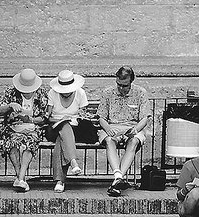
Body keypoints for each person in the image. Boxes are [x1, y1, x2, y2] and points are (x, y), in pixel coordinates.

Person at [97, 66, 151, 197]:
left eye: (125, 86)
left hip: (132, 127)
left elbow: (145, 118)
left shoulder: (140, 93)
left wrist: (136, 129)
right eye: (118, 85)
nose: (121, 88)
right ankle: (118, 177)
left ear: (131, 82)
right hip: (112, 126)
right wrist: (108, 128)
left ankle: (117, 179)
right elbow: (101, 117)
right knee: (109, 141)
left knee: (133, 142)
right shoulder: (107, 93)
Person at [0, 68, 48, 192]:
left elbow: (44, 118)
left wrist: (29, 120)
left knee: (30, 142)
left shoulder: (41, 94)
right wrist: (10, 106)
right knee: (11, 143)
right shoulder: (11, 92)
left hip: (33, 128)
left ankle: (20, 178)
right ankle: (21, 179)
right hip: (12, 128)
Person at [46, 70, 91, 193]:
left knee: (61, 142)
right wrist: (61, 119)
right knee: (64, 126)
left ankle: (60, 181)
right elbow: (48, 117)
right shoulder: (52, 93)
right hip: (54, 127)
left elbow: (83, 115)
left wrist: (75, 118)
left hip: (74, 129)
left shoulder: (80, 93)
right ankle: (73, 161)